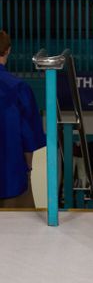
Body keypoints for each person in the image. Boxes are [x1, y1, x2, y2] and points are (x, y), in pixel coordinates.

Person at [0, 30, 46, 208]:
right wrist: (28, 167)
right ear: (8, 50)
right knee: (18, 231)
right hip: (11, 175)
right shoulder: (19, 88)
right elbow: (29, 136)